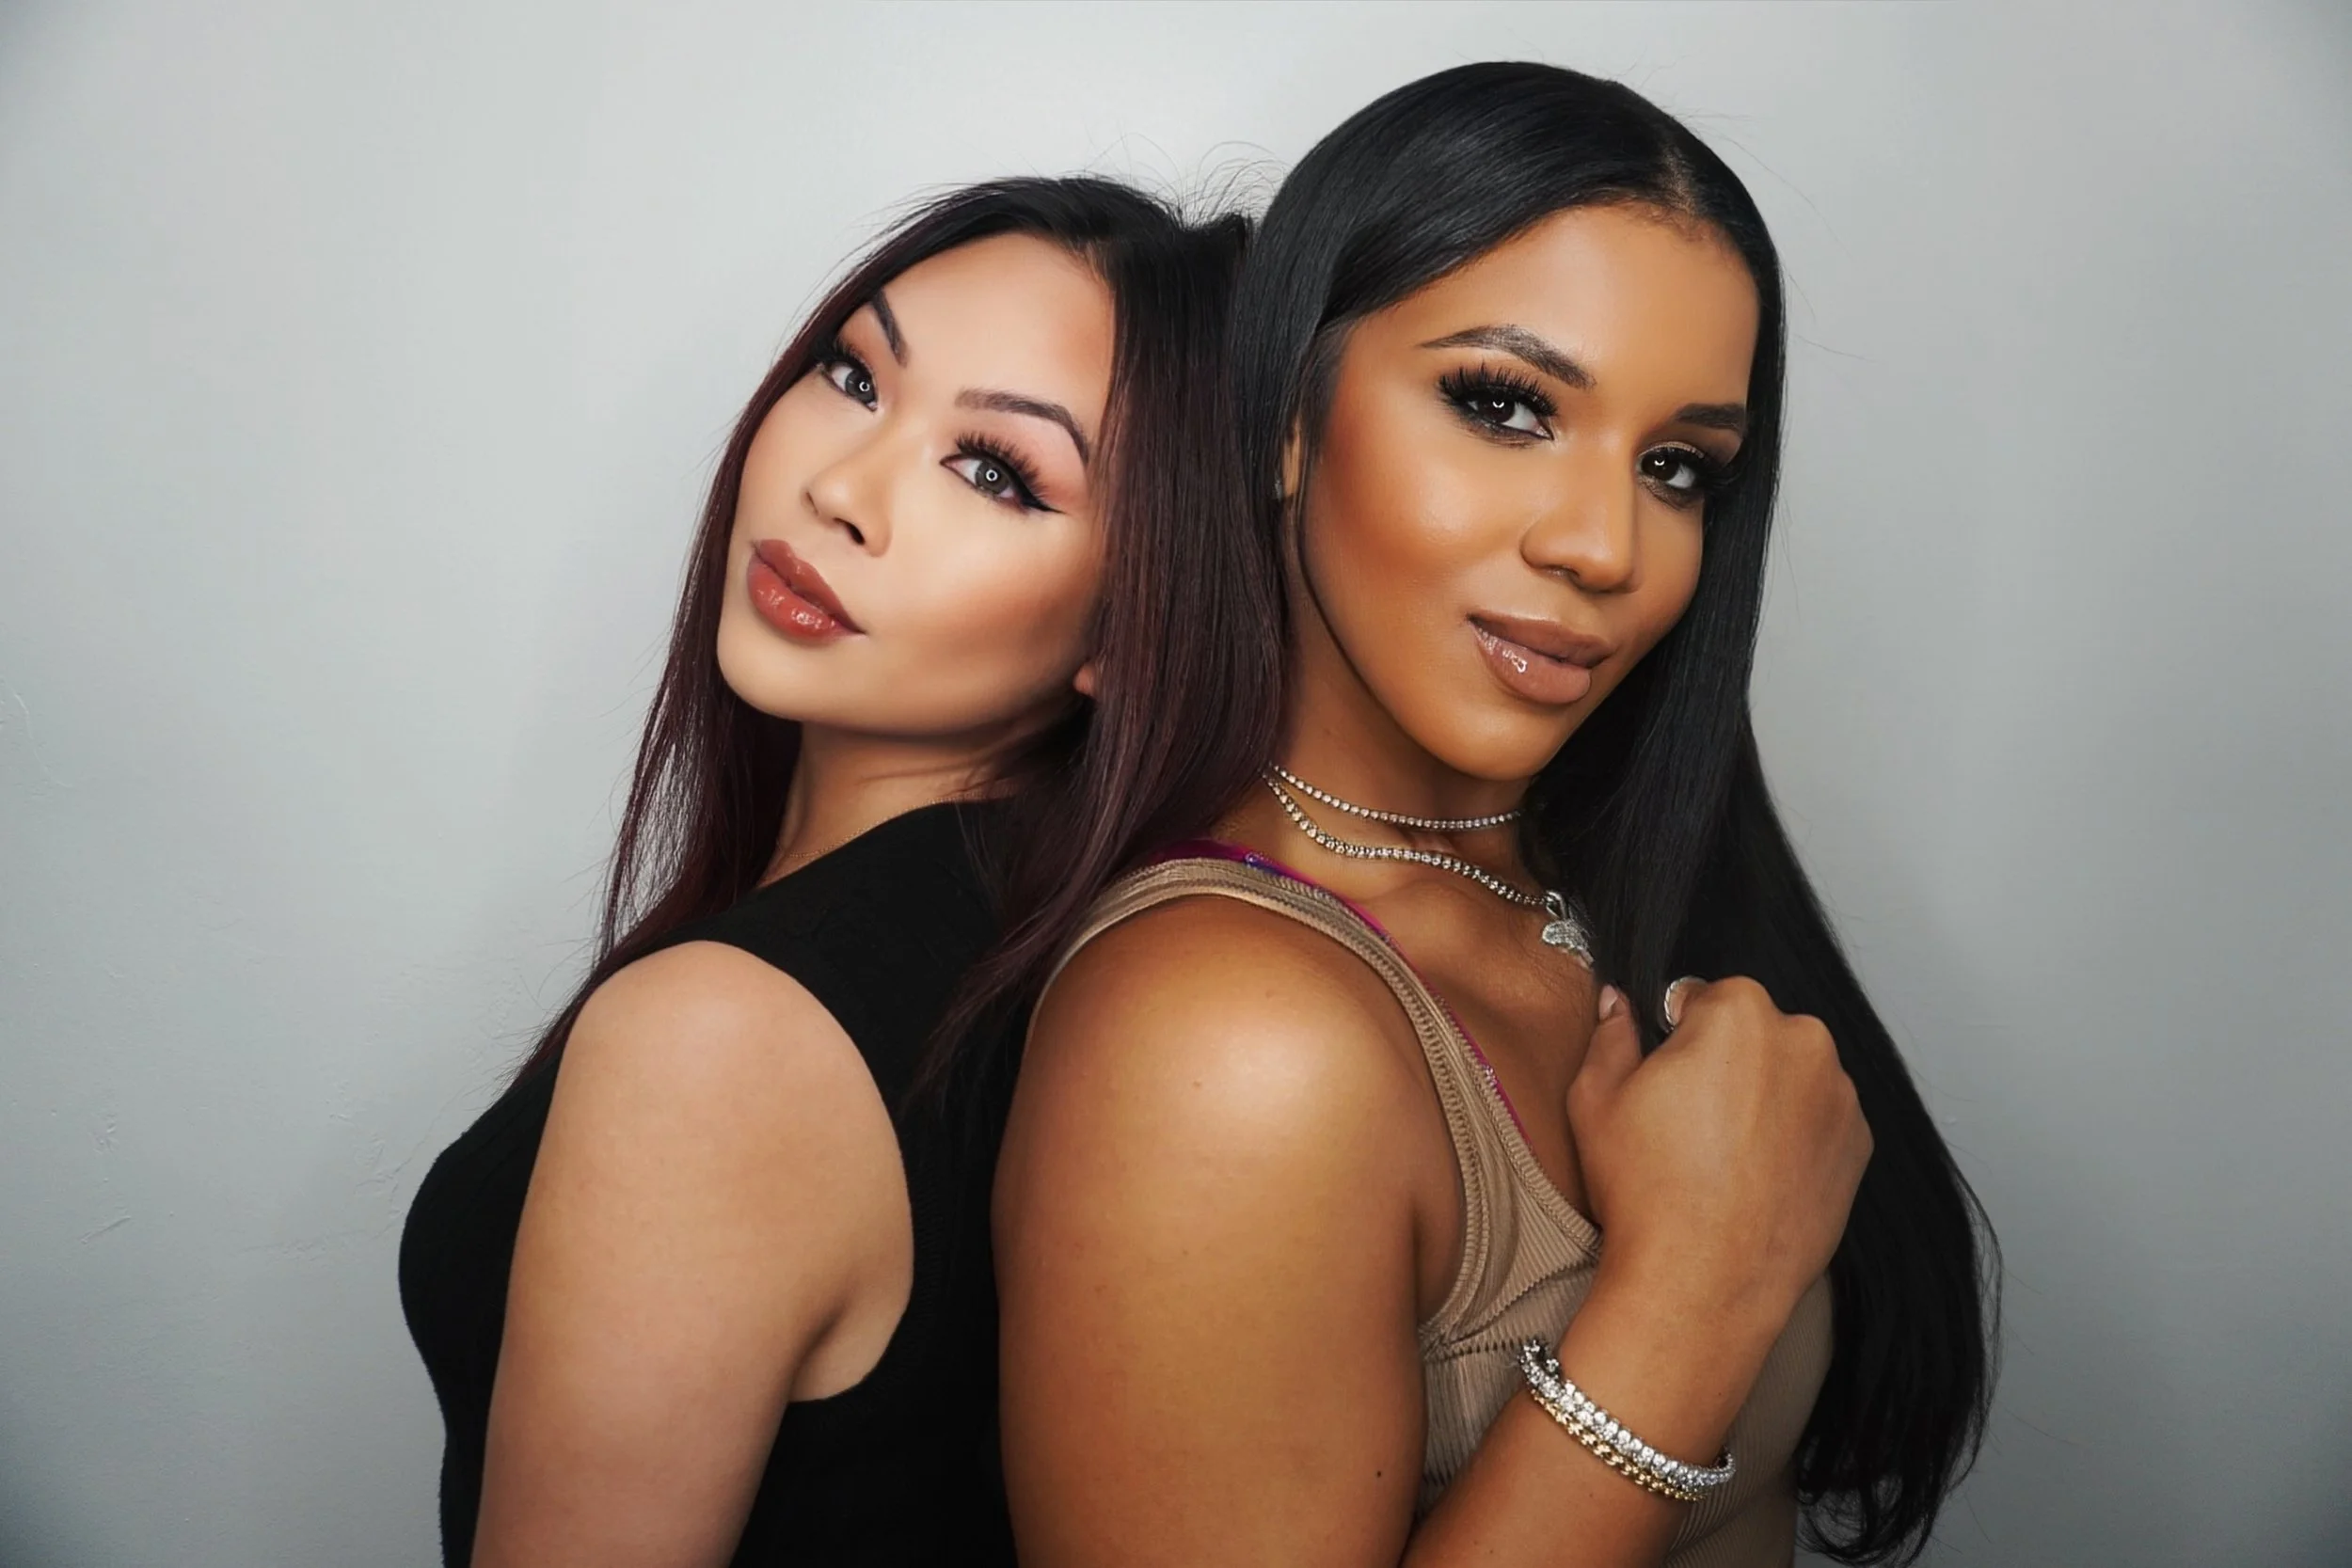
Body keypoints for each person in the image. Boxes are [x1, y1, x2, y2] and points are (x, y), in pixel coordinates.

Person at [987, 65, 1997, 1567]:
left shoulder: (1609, 882)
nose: (1604, 545)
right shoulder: (1224, 1040)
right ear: (1283, 417)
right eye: (1504, 404)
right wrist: (1687, 1302)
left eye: (1676, 468)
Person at [397, 176, 1251, 1567]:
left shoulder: (722, 1045)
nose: (839, 488)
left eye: (996, 471)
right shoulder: (1068, 967)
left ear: (1135, 625)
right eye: (855, 373)